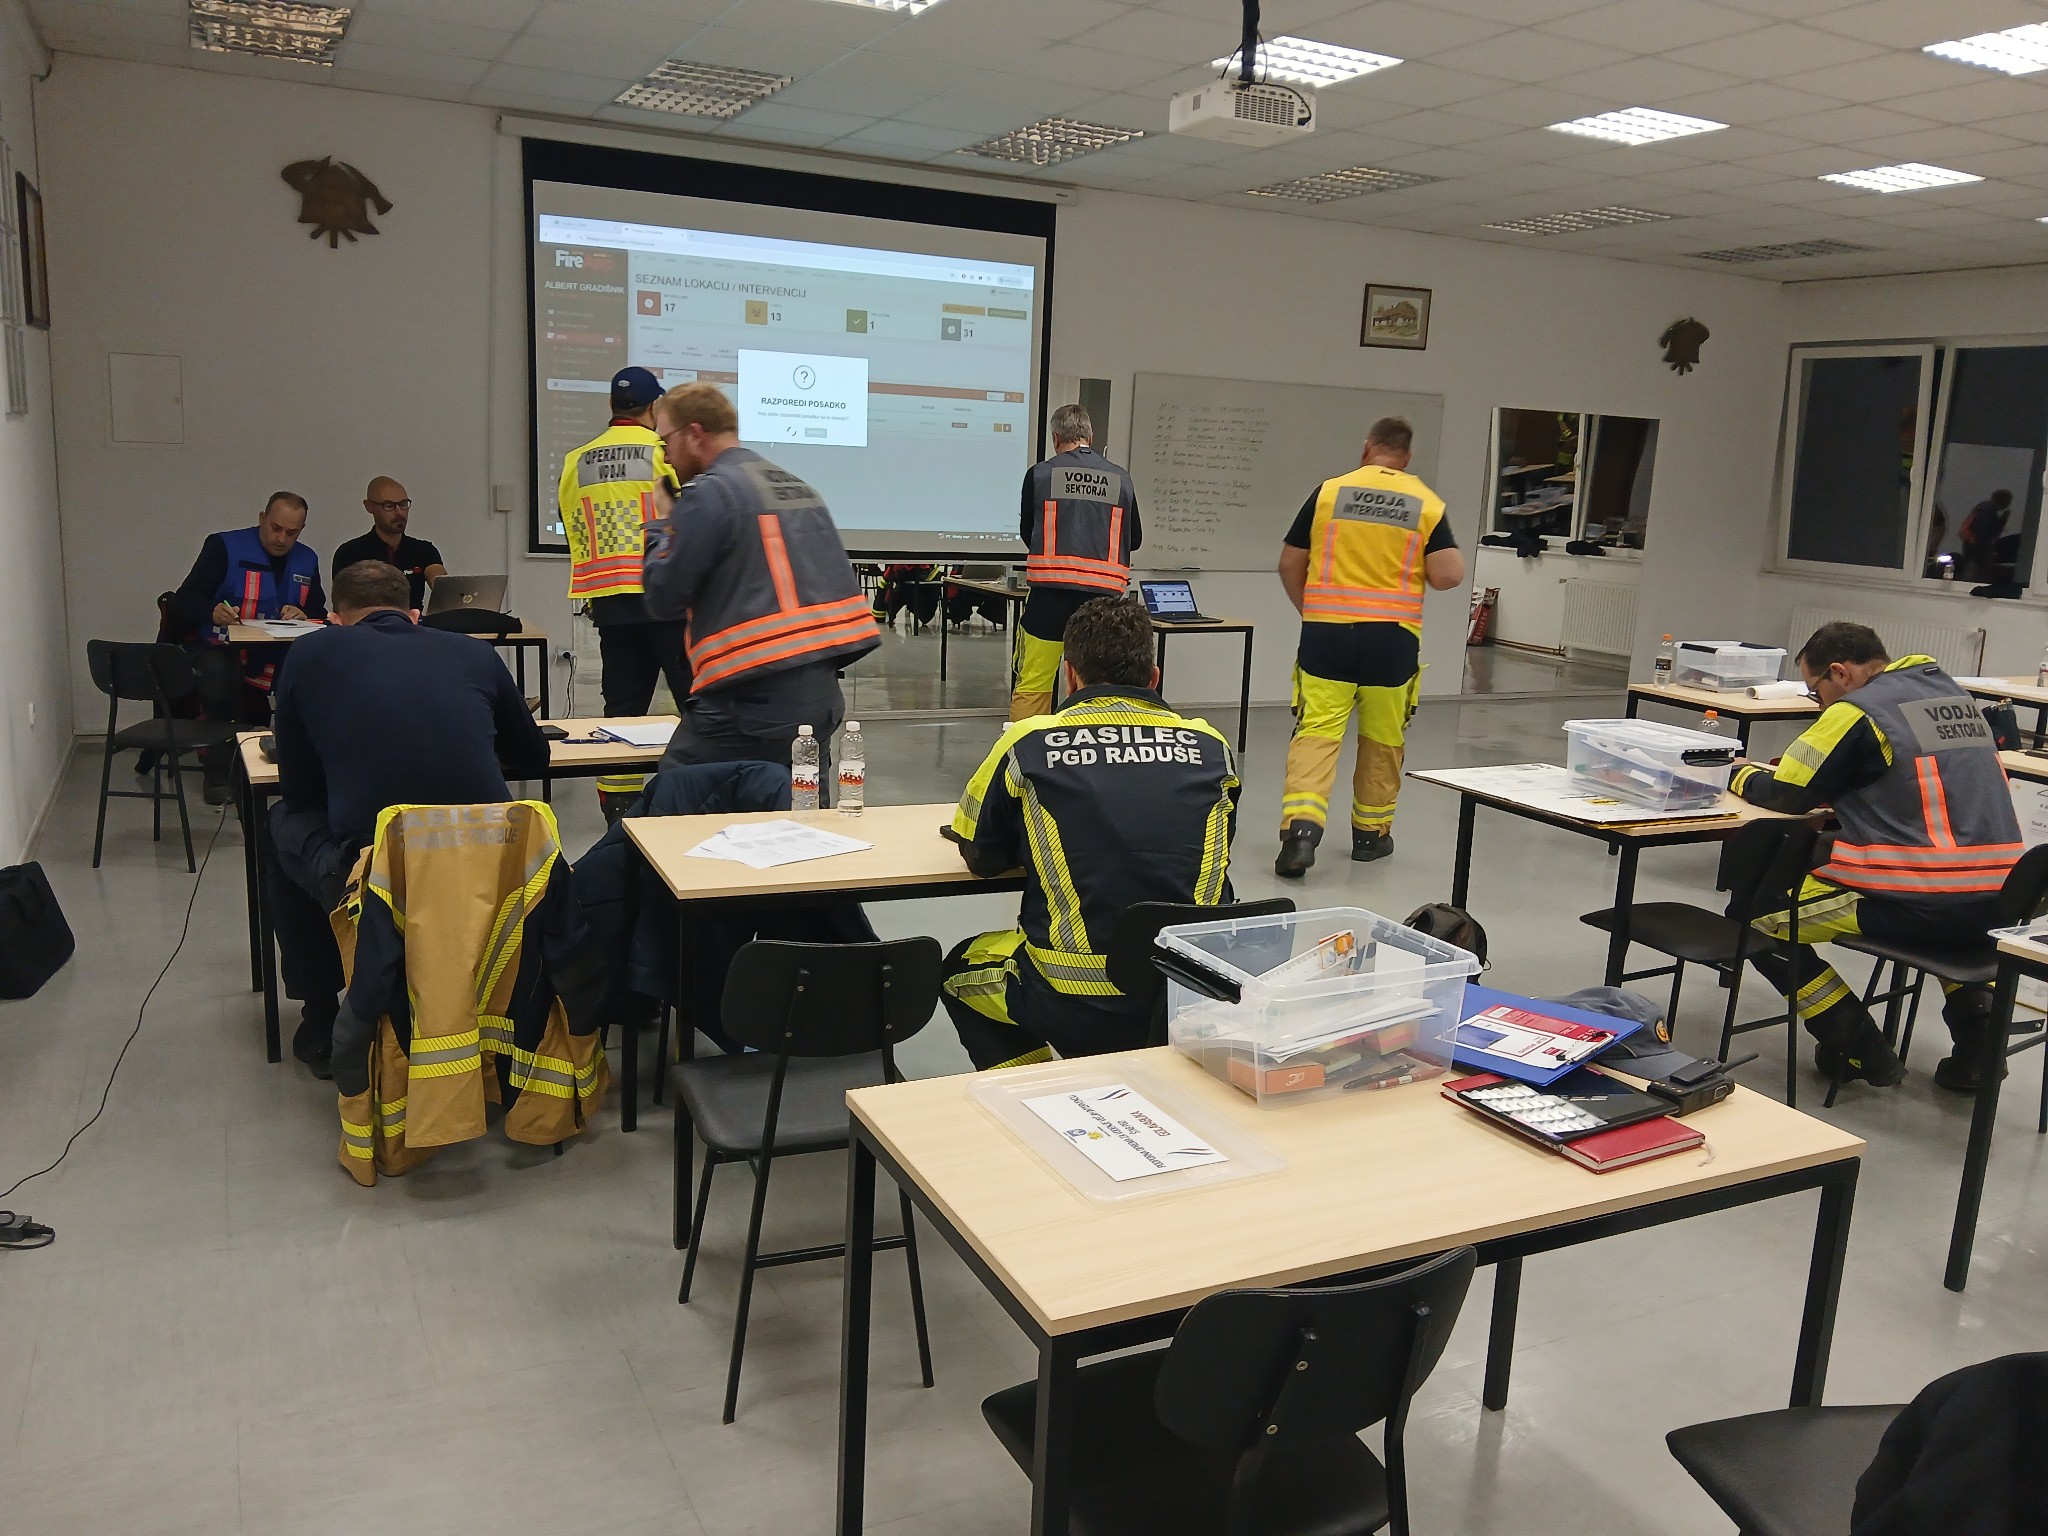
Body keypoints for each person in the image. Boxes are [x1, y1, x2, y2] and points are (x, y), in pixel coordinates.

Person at [268, 561, 550, 1078]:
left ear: (334, 620)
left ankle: (319, 1017)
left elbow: (299, 788)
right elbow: (534, 757)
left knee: (281, 823)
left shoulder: (309, 652)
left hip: (376, 870)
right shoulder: (476, 653)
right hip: (489, 868)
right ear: (415, 614)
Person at [941, 594, 1239, 1069]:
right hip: (1188, 995)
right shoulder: (1211, 745)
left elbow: (983, 858)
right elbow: (1213, 848)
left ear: (1070, 675)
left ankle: (1038, 1088)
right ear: (1153, 677)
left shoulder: (1027, 742)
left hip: (1070, 999)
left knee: (959, 969)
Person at [1731, 622, 2024, 1093]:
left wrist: (1738, 774)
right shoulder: (1953, 698)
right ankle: (1980, 1046)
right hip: (2001, 904)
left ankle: (1856, 1044)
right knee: (1952, 923)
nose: (1819, 704)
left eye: (1815, 692)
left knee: (1754, 918)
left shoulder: (1857, 710)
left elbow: (1787, 794)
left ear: (1839, 673)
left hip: (1919, 899)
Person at [641, 382, 879, 782]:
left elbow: (663, 595)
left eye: (665, 442)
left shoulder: (711, 493)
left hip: (749, 698)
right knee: (800, 807)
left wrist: (663, 524)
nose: (665, 456)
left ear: (694, 434)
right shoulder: (794, 484)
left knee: (674, 800)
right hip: (817, 692)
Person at [1273, 416, 1463, 878]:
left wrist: (1312, 610)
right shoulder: (1425, 502)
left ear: (1366, 448)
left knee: (1317, 733)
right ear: (1407, 456)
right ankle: (1370, 837)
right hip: (1391, 642)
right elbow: (1448, 576)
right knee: (1382, 739)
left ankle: (1301, 833)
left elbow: (1289, 563)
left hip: (1327, 635)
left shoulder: (1329, 493)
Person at [559, 365, 692, 818]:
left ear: (611, 405)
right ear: (654, 407)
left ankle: (618, 810)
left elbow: (571, 522)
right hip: (665, 596)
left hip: (610, 601)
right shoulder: (661, 454)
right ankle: (694, 801)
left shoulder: (577, 460)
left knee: (621, 712)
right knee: (697, 707)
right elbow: (688, 517)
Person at [168, 491, 326, 802]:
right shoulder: (223, 546)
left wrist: (303, 612)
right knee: (219, 675)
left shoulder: (307, 559)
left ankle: (297, 767)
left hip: (274, 649)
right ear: (262, 519)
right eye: (276, 528)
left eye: (291, 533)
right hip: (217, 645)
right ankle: (219, 772)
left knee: (314, 675)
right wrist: (212, 610)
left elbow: (318, 609)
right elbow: (185, 599)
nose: (281, 539)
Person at [1011, 404, 1140, 722]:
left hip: (1048, 599)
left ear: (1056, 438)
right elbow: (1134, 539)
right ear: (1090, 438)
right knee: (1100, 687)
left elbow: (1028, 532)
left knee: (1035, 683)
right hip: (1103, 604)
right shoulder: (1121, 479)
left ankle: (1025, 749)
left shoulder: (1040, 474)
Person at [330, 476, 445, 608]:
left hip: (412, 619)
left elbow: (446, 592)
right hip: (369, 620)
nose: (399, 512)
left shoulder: (424, 551)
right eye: (389, 506)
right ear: (369, 506)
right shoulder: (350, 553)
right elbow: (344, 605)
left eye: (403, 504)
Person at [1958, 489, 2013, 582]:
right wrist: (1988, 549)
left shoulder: (1985, 509)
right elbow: (1982, 532)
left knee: (1975, 573)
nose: (2007, 505)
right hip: (1976, 549)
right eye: (2007, 502)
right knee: (1976, 575)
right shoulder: (1986, 511)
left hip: (1973, 547)